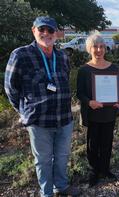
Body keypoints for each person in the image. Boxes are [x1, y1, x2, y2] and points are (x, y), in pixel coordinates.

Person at [4, 16, 80, 196]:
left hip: (64, 118)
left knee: (62, 157)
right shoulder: (21, 55)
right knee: (43, 160)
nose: (46, 33)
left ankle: (60, 186)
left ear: (56, 34)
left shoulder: (62, 56)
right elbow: (10, 88)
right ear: (34, 31)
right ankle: (46, 192)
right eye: (42, 29)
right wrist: (23, 111)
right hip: (39, 121)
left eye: (50, 30)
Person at [76, 33, 119, 187]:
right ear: (89, 49)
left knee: (107, 143)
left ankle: (105, 170)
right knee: (92, 144)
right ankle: (94, 172)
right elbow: (79, 93)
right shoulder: (84, 70)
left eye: (102, 46)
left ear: (105, 49)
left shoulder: (114, 68)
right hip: (93, 113)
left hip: (109, 113)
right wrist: (90, 102)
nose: (99, 49)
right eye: (95, 46)